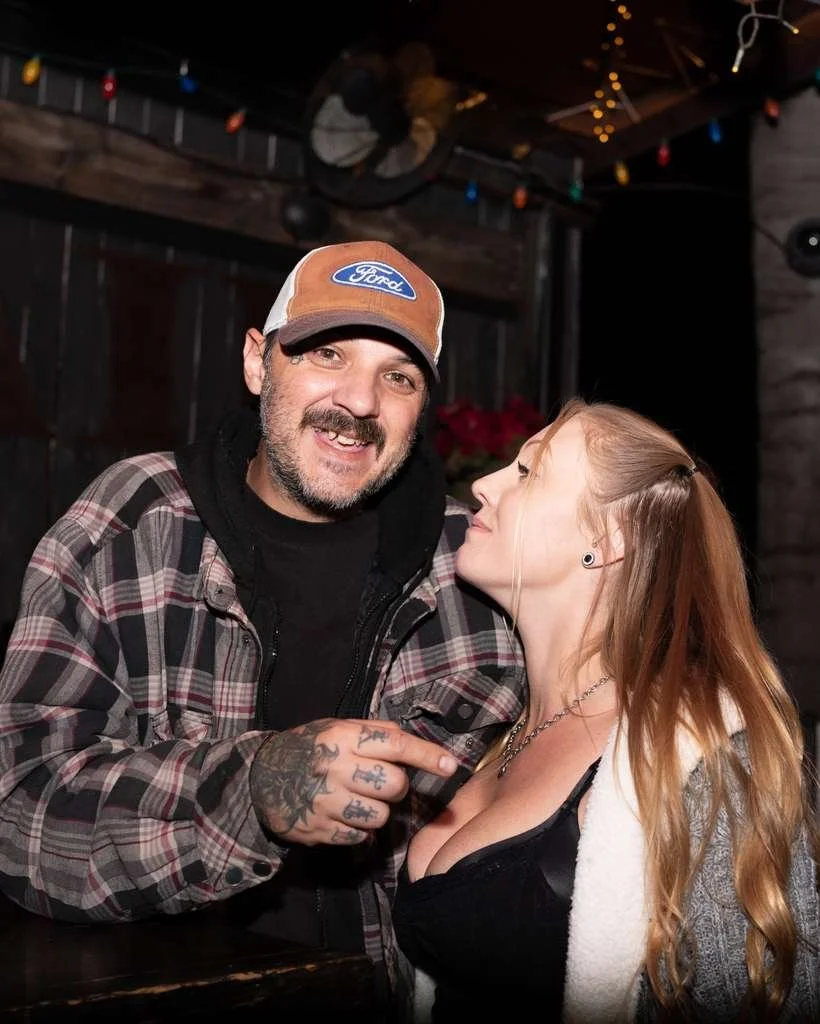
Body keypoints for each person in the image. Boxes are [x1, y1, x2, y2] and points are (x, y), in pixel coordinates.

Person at [0, 240, 526, 1016]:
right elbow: (21, 818)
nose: (359, 401)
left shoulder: (481, 569)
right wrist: (254, 789)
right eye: (327, 354)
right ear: (257, 362)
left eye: (399, 377)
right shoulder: (130, 526)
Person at [393, 397, 820, 1022]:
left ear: (607, 539)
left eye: (527, 472)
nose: (483, 484)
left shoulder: (698, 754)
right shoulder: (504, 726)